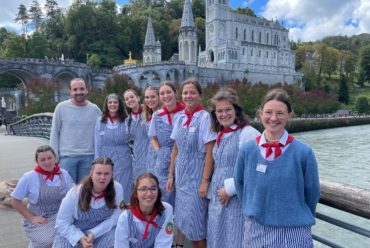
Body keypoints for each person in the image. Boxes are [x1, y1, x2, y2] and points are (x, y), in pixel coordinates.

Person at [234, 88, 320, 247]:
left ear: (289, 115)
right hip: (256, 229)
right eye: (268, 112)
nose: (273, 118)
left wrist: (296, 213)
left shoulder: (303, 152)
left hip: (294, 232)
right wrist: (252, 206)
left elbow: (312, 191)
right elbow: (239, 183)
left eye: (280, 113)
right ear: (260, 114)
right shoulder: (247, 150)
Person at [166, 79, 217, 248]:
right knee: (184, 221)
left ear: (200, 96)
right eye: (186, 92)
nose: (188, 96)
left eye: (192, 92)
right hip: (181, 178)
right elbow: (175, 149)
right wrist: (171, 175)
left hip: (196, 178)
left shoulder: (205, 118)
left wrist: (205, 181)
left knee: (197, 228)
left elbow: (210, 152)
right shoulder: (180, 117)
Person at [207, 88, 260, 248]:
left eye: (228, 109)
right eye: (219, 111)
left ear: (236, 111)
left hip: (235, 199)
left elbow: (255, 169)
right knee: (217, 237)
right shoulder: (220, 133)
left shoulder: (248, 133)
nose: (224, 114)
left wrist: (230, 189)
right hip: (217, 199)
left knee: (233, 238)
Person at [11, 145, 74, 248]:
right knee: (50, 242)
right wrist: (31, 217)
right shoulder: (29, 177)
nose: (47, 162)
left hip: (60, 215)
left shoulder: (64, 174)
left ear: (55, 158)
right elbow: (15, 201)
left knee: (74, 236)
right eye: (42, 159)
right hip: (40, 218)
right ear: (37, 161)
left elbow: (73, 195)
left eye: (49, 158)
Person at [53, 156, 123, 248]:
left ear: (111, 175)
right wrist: (80, 237)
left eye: (106, 174)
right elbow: (62, 222)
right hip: (73, 234)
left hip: (100, 233)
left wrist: (94, 233)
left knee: (121, 233)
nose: (102, 177)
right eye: (98, 173)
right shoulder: (75, 193)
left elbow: (116, 217)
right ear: (91, 174)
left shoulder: (117, 188)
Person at [50, 78, 102, 183]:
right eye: (75, 89)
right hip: (67, 157)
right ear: (70, 91)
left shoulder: (95, 110)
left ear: (87, 90)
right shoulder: (61, 107)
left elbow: (103, 132)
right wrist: (53, 157)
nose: (79, 92)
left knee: (85, 191)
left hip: (89, 157)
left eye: (82, 89)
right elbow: (54, 132)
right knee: (67, 191)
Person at [149, 81, 185, 207]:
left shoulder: (185, 113)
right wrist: (159, 152)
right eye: (162, 93)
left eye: (168, 92)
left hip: (182, 159)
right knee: (163, 195)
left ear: (175, 93)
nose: (166, 96)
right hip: (163, 162)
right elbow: (153, 138)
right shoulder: (157, 115)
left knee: (181, 197)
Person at [114, 172, 174, 247]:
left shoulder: (166, 210)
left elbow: (163, 244)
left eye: (153, 189)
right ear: (136, 193)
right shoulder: (125, 218)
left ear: (158, 191)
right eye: (143, 189)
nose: (149, 193)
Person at [95, 93, 132, 203]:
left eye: (115, 102)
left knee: (124, 185)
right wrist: (97, 162)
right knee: (107, 185)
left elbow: (132, 139)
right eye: (110, 102)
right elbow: (97, 142)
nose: (112, 104)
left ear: (119, 104)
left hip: (123, 158)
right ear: (106, 105)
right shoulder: (100, 121)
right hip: (106, 158)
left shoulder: (126, 120)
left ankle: (124, 210)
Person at [123, 89, 149, 181]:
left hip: (150, 154)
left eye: (132, 97)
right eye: (127, 99)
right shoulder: (128, 120)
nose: (130, 100)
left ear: (138, 98)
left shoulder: (148, 113)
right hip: (137, 158)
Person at [143, 86, 160, 173]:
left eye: (153, 97)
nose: (149, 100)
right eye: (147, 97)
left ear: (159, 97)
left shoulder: (163, 114)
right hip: (150, 155)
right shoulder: (148, 115)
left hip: (160, 154)